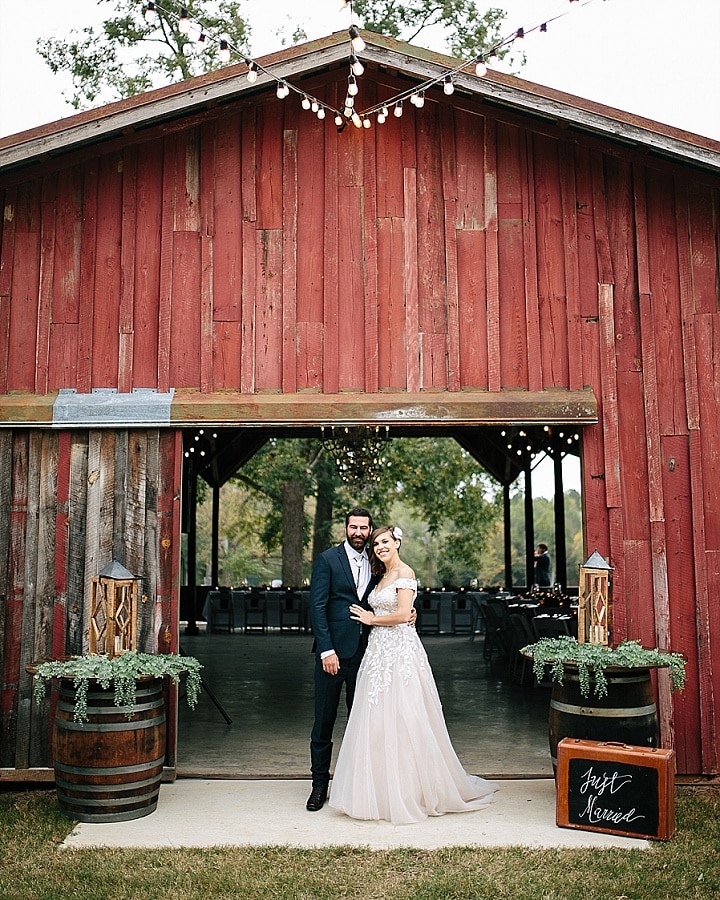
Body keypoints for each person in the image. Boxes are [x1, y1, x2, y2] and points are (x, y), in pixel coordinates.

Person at [329, 525, 498, 825]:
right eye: (376, 544)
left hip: (399, 653)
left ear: (397, 543)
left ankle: (410, 793)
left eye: (385, 542)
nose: (380, 547)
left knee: (406, 716)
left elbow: (404, 614)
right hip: (378, 652)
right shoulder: (380, 576)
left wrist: (372, 618)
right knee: (377, 720)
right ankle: (378, 792)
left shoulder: (405, 573)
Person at [306, 507, 376, 812]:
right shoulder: (327, 560)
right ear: (345, 528)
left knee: (362, 722)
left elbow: (391, 596)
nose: (358, 533)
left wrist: (409, 613)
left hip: (368, 653)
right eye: (353, 527)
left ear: (370, 530)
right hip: (333, 655)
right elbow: (317, 607)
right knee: (324, 721)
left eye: (364, 528)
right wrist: (326, 650)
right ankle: (319, 785)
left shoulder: (378, 561)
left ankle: (357, 785)